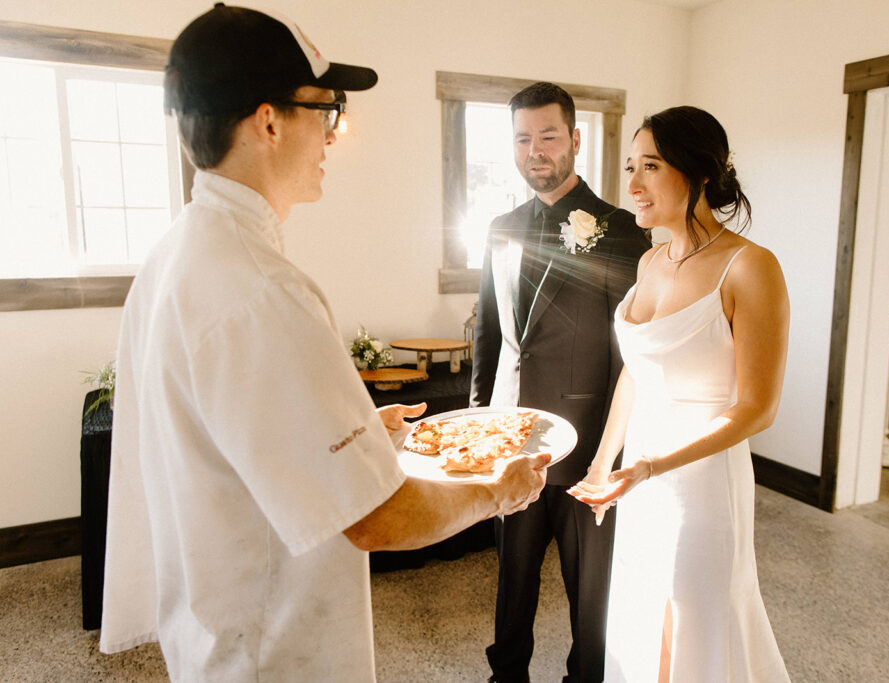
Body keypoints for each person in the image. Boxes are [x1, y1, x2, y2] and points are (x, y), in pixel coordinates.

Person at [98, 5, 548, 681]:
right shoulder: (263, 290)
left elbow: (240, 437)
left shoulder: (175, 255)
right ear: (269, 121)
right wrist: (498, 491)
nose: (334, 134)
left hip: (211, 628)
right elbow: (378, 519)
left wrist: (359, 432)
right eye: (327, 108)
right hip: (272, 648)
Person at [568, 105, 791, 682]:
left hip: (702, 482)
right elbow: (635, 370)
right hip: (640, 475)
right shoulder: (650, 260)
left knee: (696, 618)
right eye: (631, 166)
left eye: (652, 167)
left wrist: (652, 465)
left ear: (699, 176)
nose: (633, 185)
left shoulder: (750, 268)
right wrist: (602, 465)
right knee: (646, 619)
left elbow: (757, 409)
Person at [471, 82, 649, 682]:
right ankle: (508, 672)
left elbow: (632, 351)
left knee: (589, 589)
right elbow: (489, 334)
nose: (535, 151)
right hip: (511, 438)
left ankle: (587, 676)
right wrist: (480, 423)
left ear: (575, 140)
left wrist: (612, 452)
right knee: (512, 575)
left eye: (548, 136)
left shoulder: (621, 229)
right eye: (523, 139)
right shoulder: (500, 226)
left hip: (586, 444)